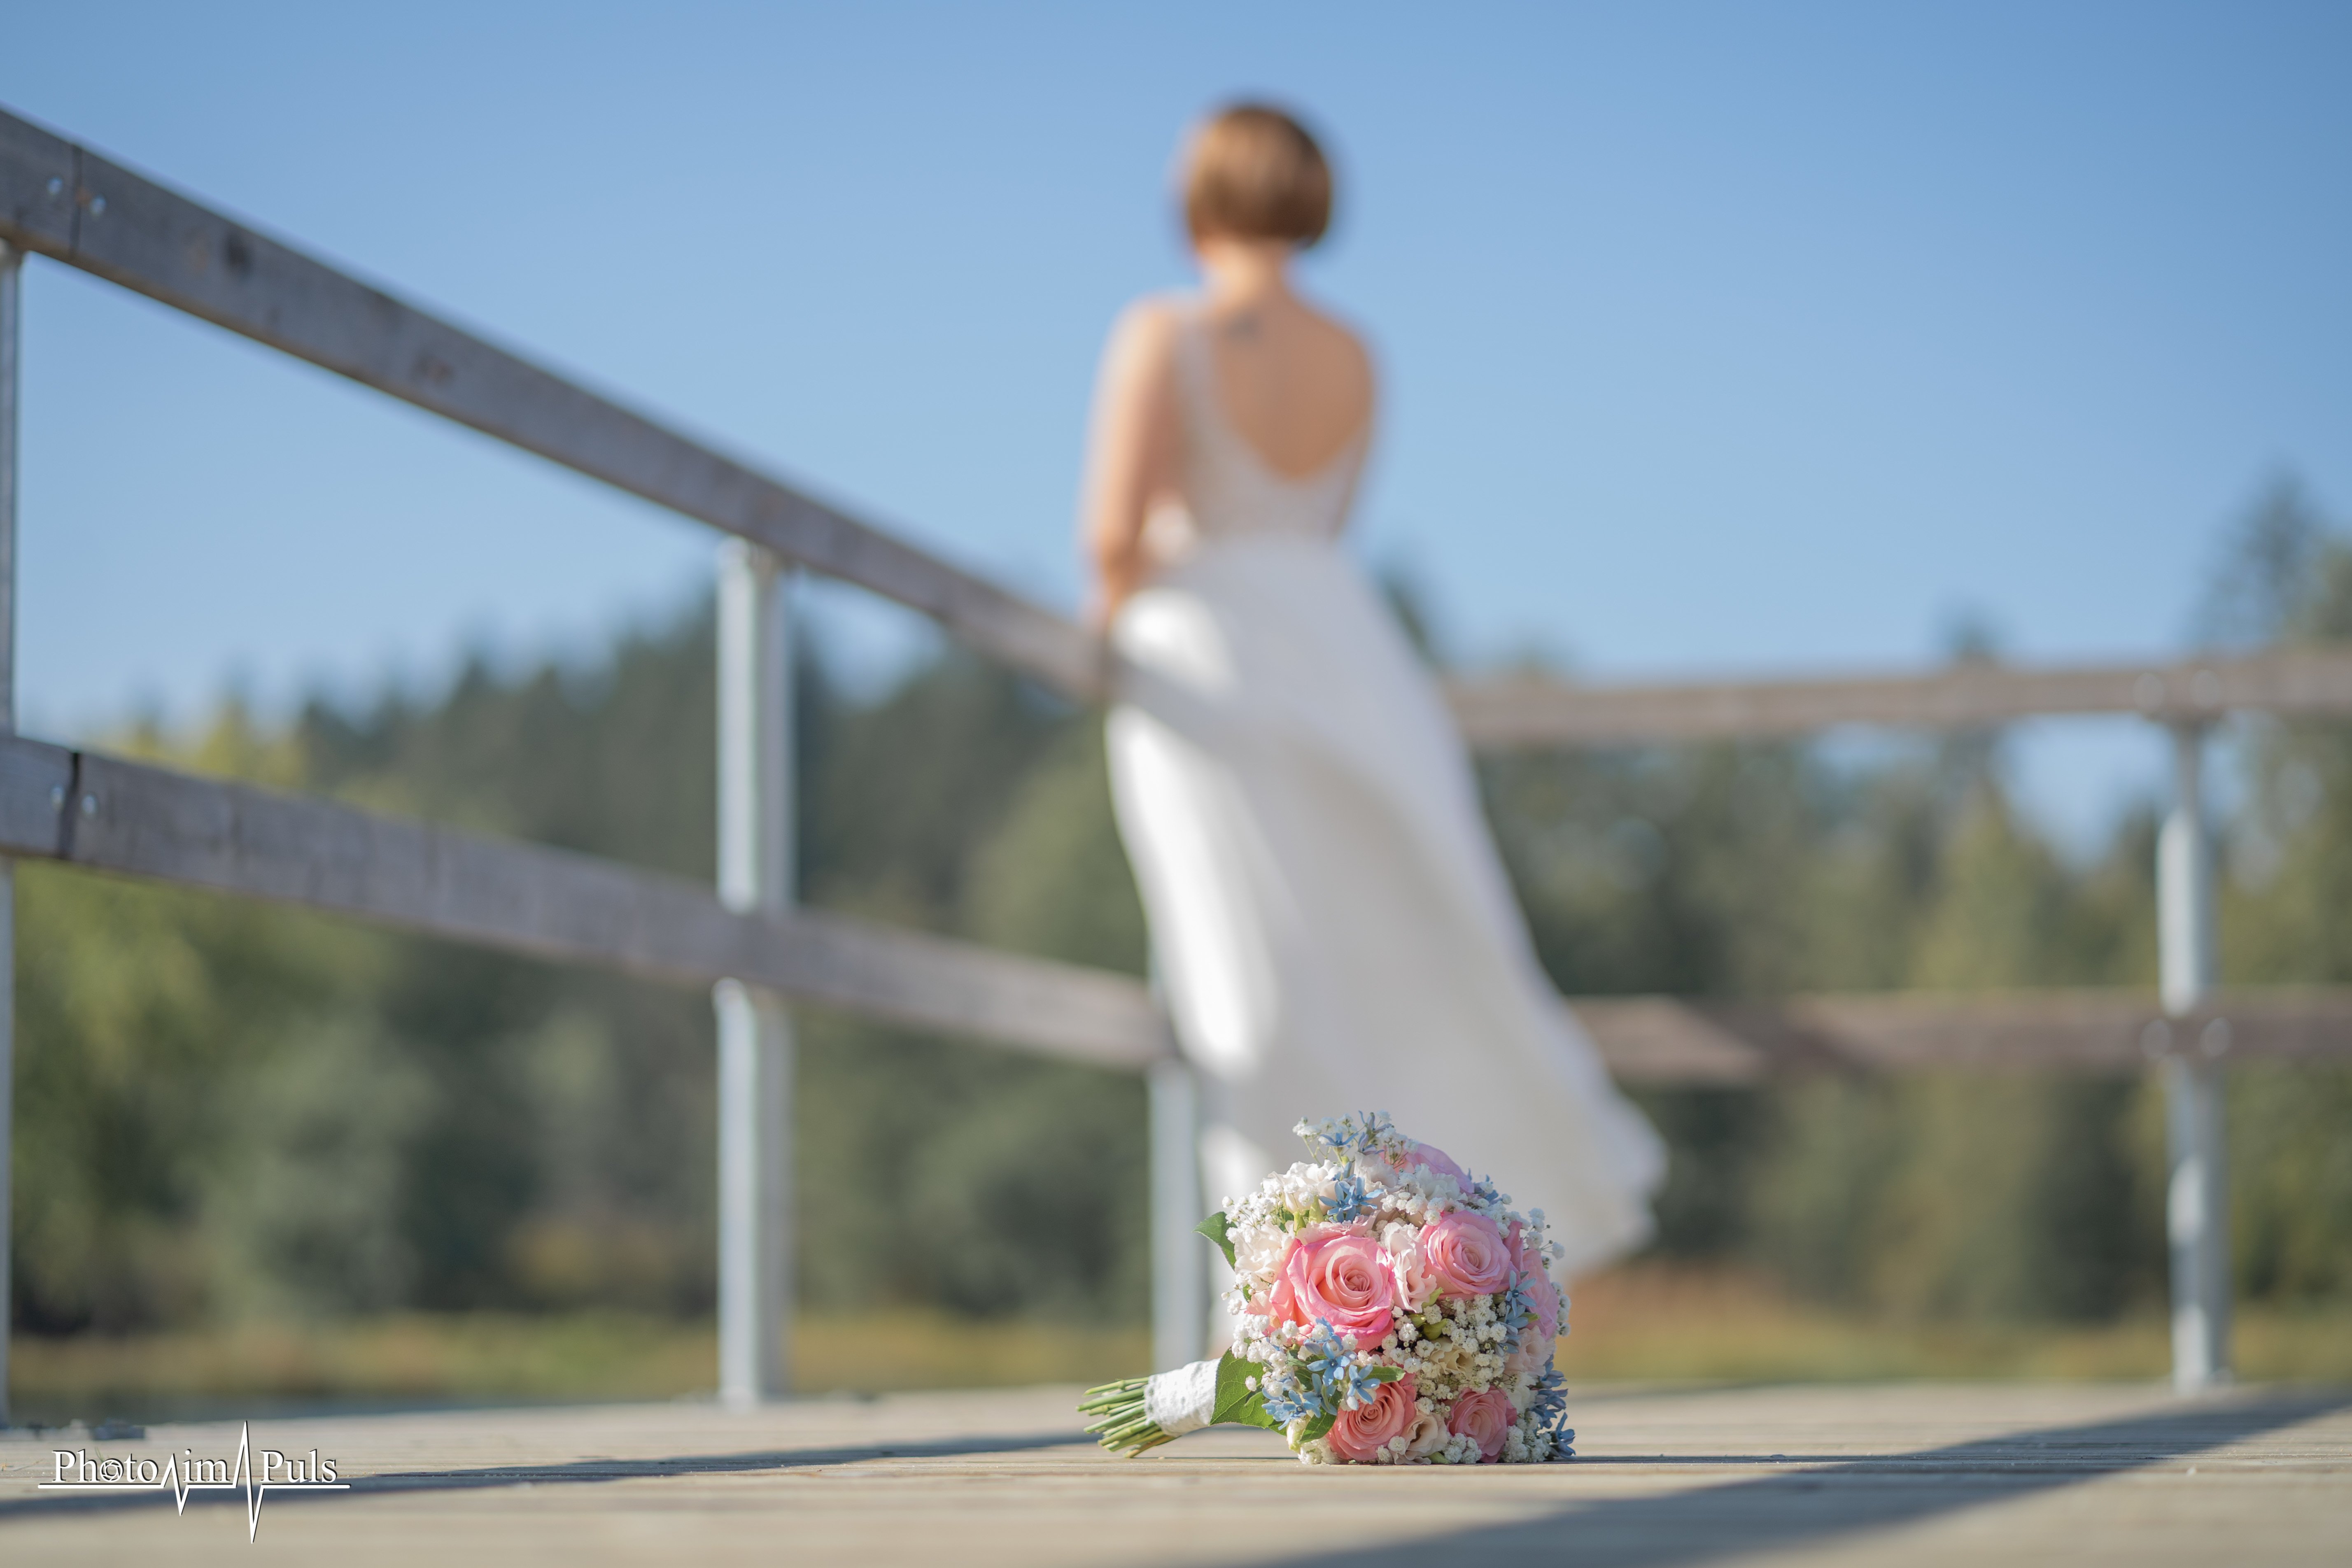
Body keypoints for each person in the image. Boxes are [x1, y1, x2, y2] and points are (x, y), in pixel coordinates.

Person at [1082, 104, 1664, 1288]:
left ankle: (1280, 1304)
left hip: (1210, 657)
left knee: (1249, 979)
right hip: (1348, 651)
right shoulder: (1358, 356)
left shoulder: (1163, 331)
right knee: (1400, 960)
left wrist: (1106, 632)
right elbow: (1328, 523)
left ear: (1199, 194)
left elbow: (1111, 538)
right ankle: (1421, 1279)